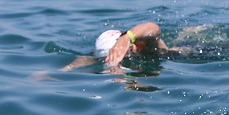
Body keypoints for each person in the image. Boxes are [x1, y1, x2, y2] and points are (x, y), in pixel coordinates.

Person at [62, 22, 202, 72]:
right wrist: (62, 71)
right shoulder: (104, 55)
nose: (126, 55)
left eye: (123, 51)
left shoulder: (144, 46)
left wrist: (127, 37)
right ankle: (186, 32)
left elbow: (154, 28)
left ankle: (191, 32)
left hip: (184, 54)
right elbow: (85, 59)